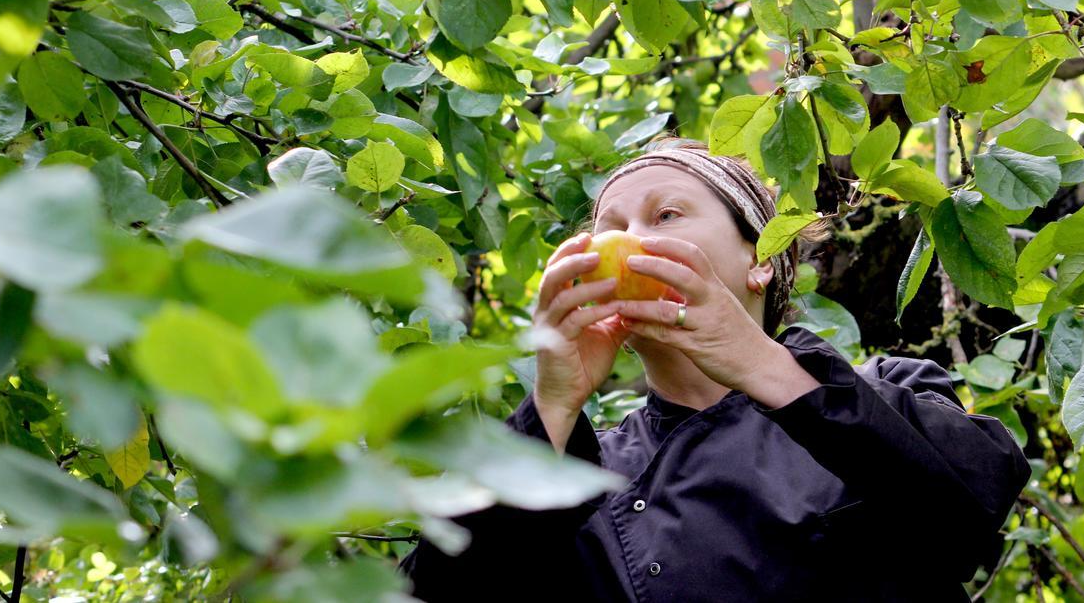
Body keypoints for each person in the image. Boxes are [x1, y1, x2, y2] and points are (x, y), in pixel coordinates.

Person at [399, 137, 1031, 602]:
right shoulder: (576, 475)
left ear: (759, 260)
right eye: (611, 229)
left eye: (666, 215)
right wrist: (552, 408)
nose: (630, 241)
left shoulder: (882, 392)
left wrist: (759, 362)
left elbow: (973, 508)